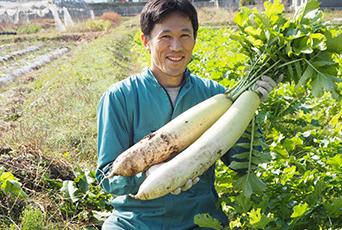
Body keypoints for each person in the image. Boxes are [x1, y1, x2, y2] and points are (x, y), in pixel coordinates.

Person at [95, 0, 281, 229]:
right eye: (165, 37)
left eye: (185, 36)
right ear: (146, 41)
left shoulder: (214, 93)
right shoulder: (120, 97)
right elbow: (107, 177)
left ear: (194, 39)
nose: (176, 47)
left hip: (200, 219)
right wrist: (149, 175)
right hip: (135, 220)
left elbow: (241, 165)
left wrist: (249, 108)